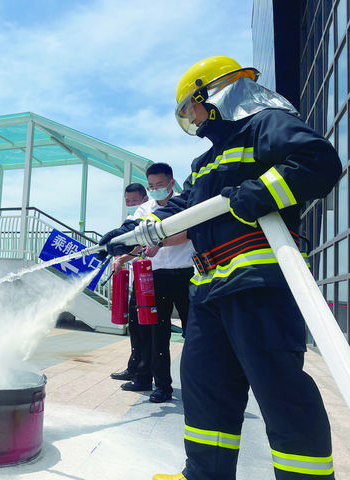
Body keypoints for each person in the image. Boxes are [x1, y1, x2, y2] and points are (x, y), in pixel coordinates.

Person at [100, 56, 341, 480]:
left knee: (280, 392)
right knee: (204, 386)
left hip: (257, 278)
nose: (192, 119)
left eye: (190, 108)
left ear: (210, 95)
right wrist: (130, 231)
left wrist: (258, 193)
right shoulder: (207, 162)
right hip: (209, 287)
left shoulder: (265, 125)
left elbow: (317, 160)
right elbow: (182, 208)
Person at [130, 162, 194, 403]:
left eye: (160, 185)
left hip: (187, 274)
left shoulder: (185, 203)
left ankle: (195, 384)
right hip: (157, 278)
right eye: (151, 186)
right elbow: (135, 237)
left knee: (194, 333)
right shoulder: (144, 209)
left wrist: (160, 243)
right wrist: (123, 251)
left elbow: (189, 233)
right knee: (159, 333)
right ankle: (162, 386)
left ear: (171, 183)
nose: (156, 189)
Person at [109, 183, 151, 391]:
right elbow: (136, 246)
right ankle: (134, 367)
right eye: (127, 201)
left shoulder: (154, 213)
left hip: (156, 277)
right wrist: (121, 259)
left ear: (144, 199)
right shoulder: (131, 220)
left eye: (134, 201)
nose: (130, 204)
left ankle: (147, 374)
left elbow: (142, 245)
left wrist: (123, 258)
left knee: (148, 328)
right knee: (135, 323)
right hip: (140, 276)